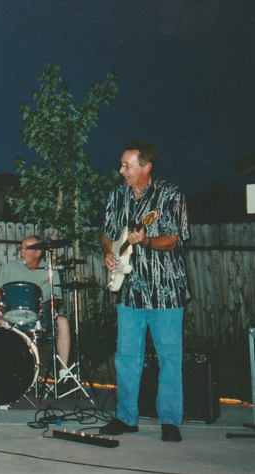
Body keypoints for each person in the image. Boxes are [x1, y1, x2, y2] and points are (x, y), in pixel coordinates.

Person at [100, 139, 189, 442]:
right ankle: (126, 417)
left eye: (127, 165)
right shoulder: (116, 195)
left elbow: (174, 239)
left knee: (169, 358)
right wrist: (108, 253)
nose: (121, 169)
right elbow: (107, 234)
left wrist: (147, 241)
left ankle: (170, 421)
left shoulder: (171, 194)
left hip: (167, 291)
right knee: (126, 357)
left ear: (145, 167)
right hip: (129, 292)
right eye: (122, 164)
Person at [0, 236, 72, 380]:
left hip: (39, 315)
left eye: (26, 248)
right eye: (21, 248)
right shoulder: (10, 267)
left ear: (38, 253)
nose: (22, 251)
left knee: (63, 322)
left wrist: (44, 305)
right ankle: (2, 373)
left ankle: (64, 375)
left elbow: (56, 299)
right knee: (0, 323)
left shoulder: (50, 271)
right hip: (11, 315)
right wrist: (3, 292)